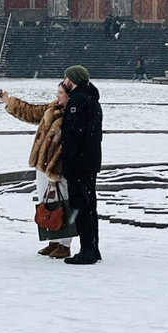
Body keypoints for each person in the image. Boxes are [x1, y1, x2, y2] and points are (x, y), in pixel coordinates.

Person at [0, 82, 74, 259]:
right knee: (46, 202)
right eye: (57, 93)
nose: (58, 97)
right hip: (43, 164)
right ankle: (53, 239)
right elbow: (32, 112)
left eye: (61, 94)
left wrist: (56, 168)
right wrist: (9, 101)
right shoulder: (52, 108)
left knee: (63, 202)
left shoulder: (72, 114)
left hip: (58, 166)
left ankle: (65, 244)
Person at [61, 65, 103, 265]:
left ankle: (87, 250)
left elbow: (74, 135)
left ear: (73, 80)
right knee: (90, 207)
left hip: (79, 163)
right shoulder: (92, 99)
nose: (64, 81)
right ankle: (93, 248)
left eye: (66, 78)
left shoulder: (77, 100)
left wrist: (68, 161)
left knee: (81, 208)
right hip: (91, 160)